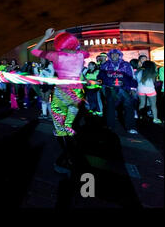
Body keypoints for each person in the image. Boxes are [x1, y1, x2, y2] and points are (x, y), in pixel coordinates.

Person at [32, 28, 89, 173]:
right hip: (76, 93)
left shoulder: (56, 56)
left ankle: (68, 156)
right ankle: (73, 154)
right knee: (69, 125)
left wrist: (45, 36)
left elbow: (35, 52)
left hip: (62, 93)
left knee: (60, 128)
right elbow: (83, 54)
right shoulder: (81, 55)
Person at [98, 49, 138, 134]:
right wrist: (108, 82)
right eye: (112, 55)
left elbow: (132, 77)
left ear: (119, 55)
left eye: (116, 54)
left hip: (124, 88)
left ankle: (130, 127)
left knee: (129, 106)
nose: (114, 56)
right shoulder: (105, 65)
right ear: (109, 56)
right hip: (110, 88)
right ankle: (110, 126)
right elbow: (100, 77)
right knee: (110, 107)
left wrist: (133, 89)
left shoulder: (126, 65)